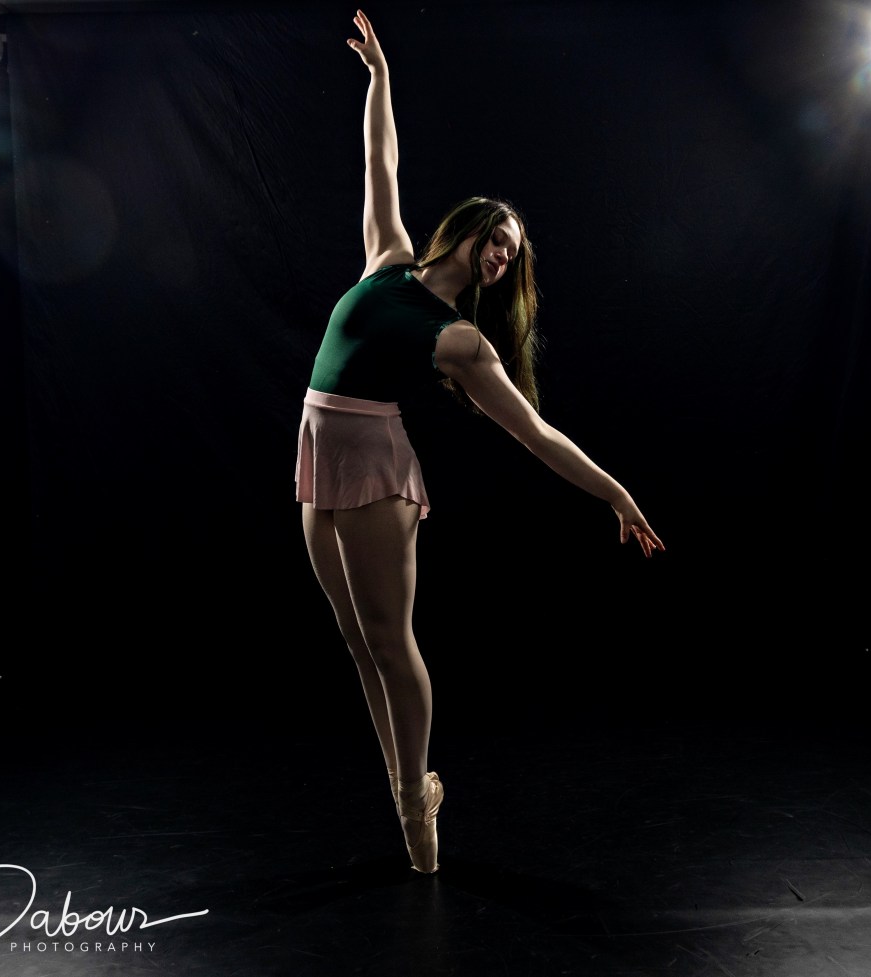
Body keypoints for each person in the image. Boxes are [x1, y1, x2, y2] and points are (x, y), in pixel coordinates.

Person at [296, 9, 664, 875]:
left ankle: (414, 796)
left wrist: (616, 493)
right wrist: (381, 79)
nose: (503, 256)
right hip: (317, 451)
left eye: (514, 253)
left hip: (377, 471)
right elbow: (377, 163)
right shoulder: (386, 257)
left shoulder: (461, 341)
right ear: (468, 227)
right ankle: (403, 786)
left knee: (393, 642)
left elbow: (534, 432)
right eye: (498, 239)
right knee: (356, 643)